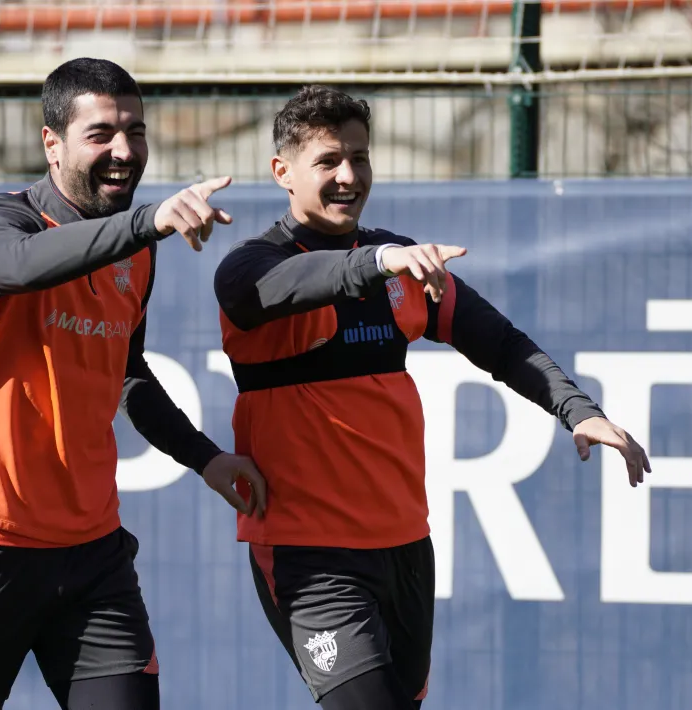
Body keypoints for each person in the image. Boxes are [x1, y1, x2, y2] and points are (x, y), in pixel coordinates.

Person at [212, 85, 652, 710]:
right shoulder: (254, 267)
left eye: (360, 158)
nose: (348, 176)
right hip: (310, 557)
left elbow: (499, 342)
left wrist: (578, 410)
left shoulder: (402, 265)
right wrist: (379, 260)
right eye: (329, 160)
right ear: (282, 171)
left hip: (405, 549)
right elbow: (292, 282)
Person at [0, 57, 266, 710]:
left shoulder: (137, 249)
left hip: (91, 552)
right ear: (52, 143)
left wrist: (206, 459)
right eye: (101, 134)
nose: (124, 151)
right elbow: (16, 268)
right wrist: (144, 223)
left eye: (136, 131)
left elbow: (128, 374)